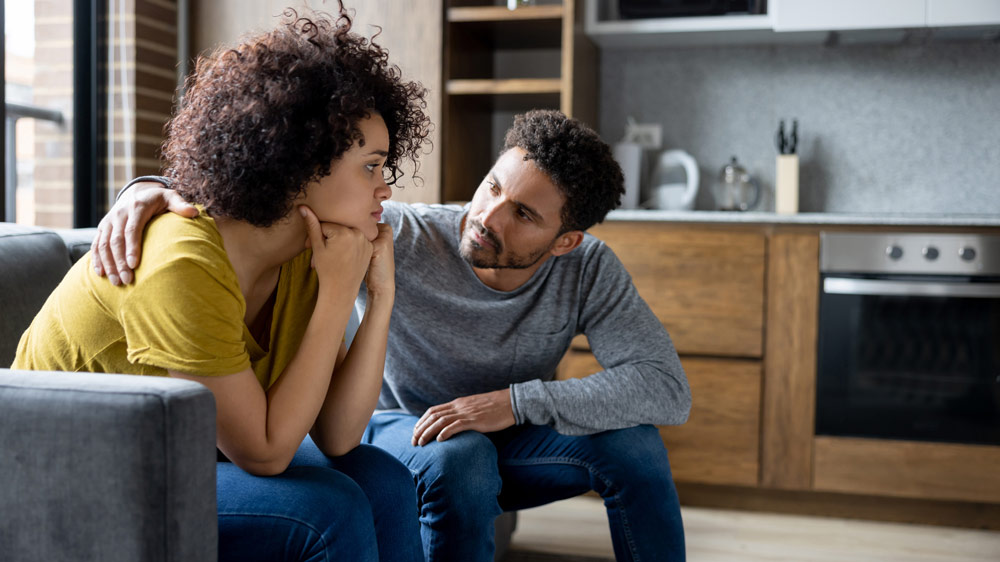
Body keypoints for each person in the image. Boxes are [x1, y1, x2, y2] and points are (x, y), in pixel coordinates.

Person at [96, 110, 693, 561]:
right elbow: (258, 192)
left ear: (566, 242)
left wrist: (512, 404)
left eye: (525, 215)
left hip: (511, 433)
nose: (489, 216)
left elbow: (666, 388)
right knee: (461, 457)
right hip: (402, 429)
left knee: (635, 447)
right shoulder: (403, 235)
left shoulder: (589, 269)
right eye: (492, 188)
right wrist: (144, 189)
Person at [12, 6, 430, 562]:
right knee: (328, 511)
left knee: (386, 481)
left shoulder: (309, 256)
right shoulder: (181, 260)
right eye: (371, 167)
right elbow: (265, 453)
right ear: (300, 162)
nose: (385, 191)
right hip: (64, 470)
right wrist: (336, 295)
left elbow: (339, 435)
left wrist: (379, 300)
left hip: (180, 452)